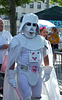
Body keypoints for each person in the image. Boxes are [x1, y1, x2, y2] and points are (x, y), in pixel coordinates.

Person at [3, 13, 61, 100]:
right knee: (26, 96)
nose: (31, 27)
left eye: (34, 25)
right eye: (29, 24)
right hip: (23, 72)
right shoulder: (17, 40)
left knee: (37, 97)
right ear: (24, 25)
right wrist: (11, 76)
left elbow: (45, 56)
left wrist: (47, 70)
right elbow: (12, 59)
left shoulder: (41, 40)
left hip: (37, 73)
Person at [0, 18, 12, 94]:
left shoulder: (7, 33)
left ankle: (3, 92)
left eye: (1, 23)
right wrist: (1, 47)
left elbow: (12, 43)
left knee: (5, 77)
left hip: (5, 60)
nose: (0, 25)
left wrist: (8, 45)